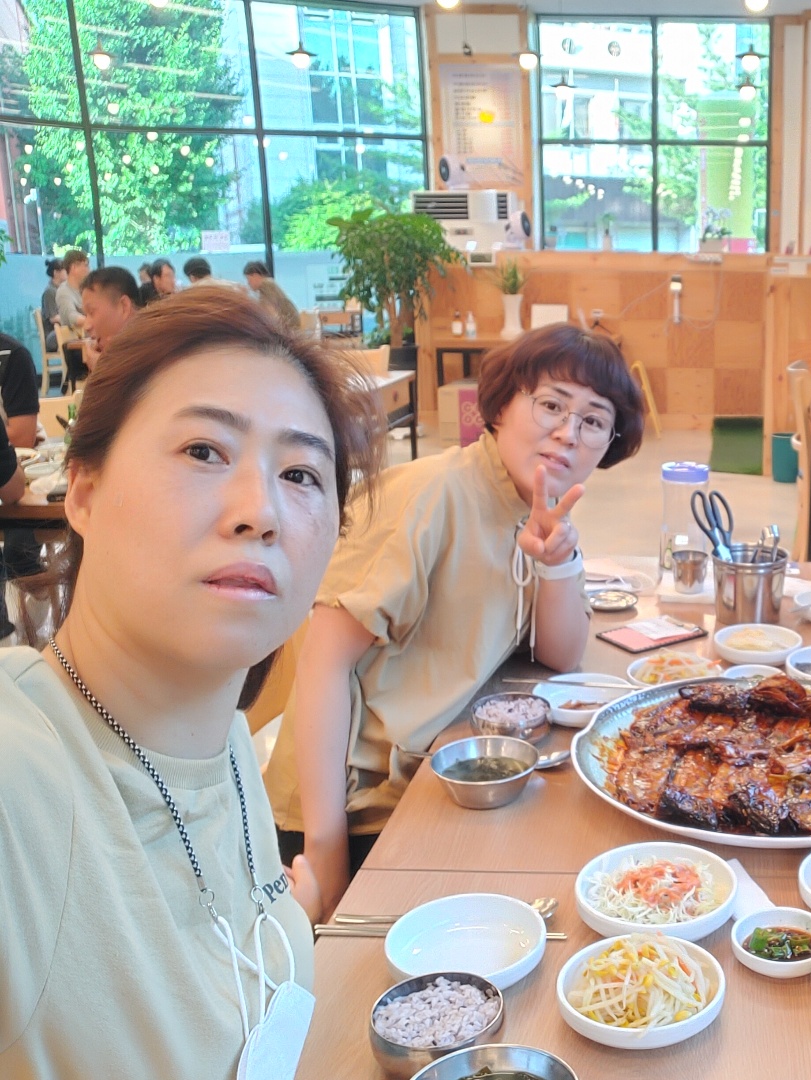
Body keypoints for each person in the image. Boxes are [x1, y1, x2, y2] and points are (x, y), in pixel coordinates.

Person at [0, 289, 385, 1079]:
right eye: (205, 451)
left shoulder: (225, 744)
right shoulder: (21, 776)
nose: (260, 511)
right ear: (84, 491)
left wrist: (295, 918)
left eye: (301, 473)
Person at [265, 323, 645, 919]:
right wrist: (327, 852)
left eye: (594, 421)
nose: (569, 433)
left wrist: (558, 562)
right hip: (356, 814)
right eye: (551, 405)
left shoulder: (535, 506)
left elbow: (561, 656)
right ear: (501, 406)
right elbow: (322, 662)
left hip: (442, 776)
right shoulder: (430, 496)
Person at [80, 266, 141, 356]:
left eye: (92, 312)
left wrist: (103, 364)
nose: (86, 326)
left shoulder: (153, 350)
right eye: (85, 315)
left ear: (124, 306)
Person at [244, 261, 301, 331]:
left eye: (248, 279)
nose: (248, 283)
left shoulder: (266, 285)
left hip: (288, 329)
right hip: (290, 326)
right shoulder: (269, 284)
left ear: (255, 276)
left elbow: (271, 313)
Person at [54, 249, 89, 332]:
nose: (88, 270)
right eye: (86, 265)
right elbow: (72, 316)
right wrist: (96, 322)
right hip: (77, 339)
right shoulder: (63, 292)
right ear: (74, 268)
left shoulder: (87, 289)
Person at [40, 258, 63, 351]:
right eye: (65, 270)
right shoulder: (50, 292)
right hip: (53, 335)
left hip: (60, 330)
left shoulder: (61, 290)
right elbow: (53, 318)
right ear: (56, 272)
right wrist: (70, 319)